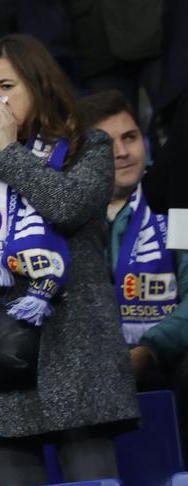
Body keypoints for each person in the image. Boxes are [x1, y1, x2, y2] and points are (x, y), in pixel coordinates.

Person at [0, 35, 137, 486]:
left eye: (6, 86)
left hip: (72, 348)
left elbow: (67, 206)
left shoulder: (88, 146)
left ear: (40, 85)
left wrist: (9, 153)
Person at [82, 91, 188, 390]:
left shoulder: (176, 209)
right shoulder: (70, 218)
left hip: (167, 359)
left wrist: (149, 350)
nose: (121, 152)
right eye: (105, 144)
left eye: (129, 137)